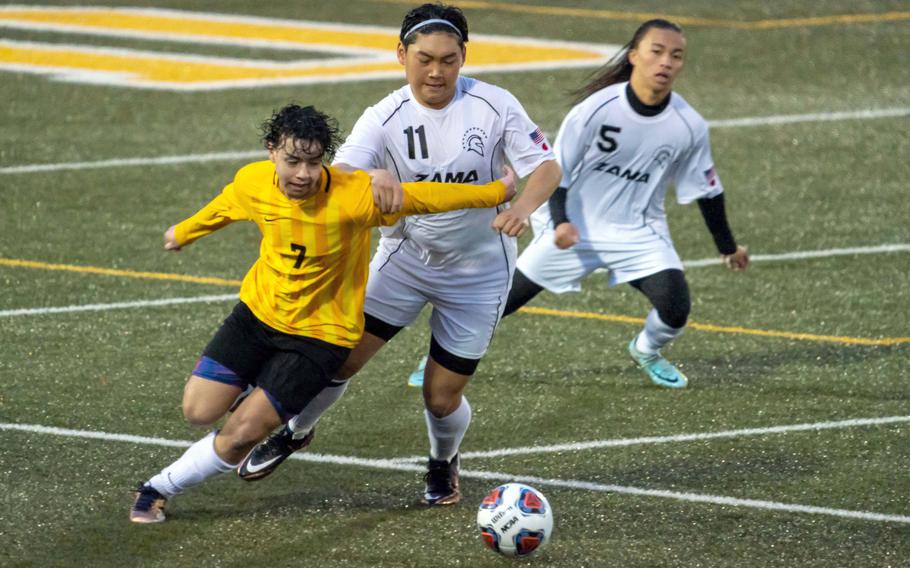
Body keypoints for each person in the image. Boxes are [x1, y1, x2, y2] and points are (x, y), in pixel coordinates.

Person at [236, 3, 561, 506]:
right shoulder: (384, 116)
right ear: (401, 54)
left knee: (440, 394)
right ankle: (297, 430)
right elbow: (335, 177)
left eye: (449, 60)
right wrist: (372, 176)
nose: (436, 71)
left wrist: (521, 207)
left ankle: (441, 461)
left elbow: (545, 167)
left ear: (463, 57)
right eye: (424, 58)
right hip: (405, 260)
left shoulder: (495, 106)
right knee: (339, 358)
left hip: (478, 274)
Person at [129, 103, 516, 523]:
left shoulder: (355, 196)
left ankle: (157, 488)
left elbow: (430, 197)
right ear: (271, 150)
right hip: (256, 317)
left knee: (241, 435)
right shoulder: (253, 181)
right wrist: (184, 232)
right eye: (293, 160)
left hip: (320, 338)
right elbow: (225, 205)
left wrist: (498, 192)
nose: (302, 174)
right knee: (197, 411)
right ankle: (263, 396)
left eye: (314, 163)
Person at [503, 18, 749, 389]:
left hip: (637, 232)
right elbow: (556, 172)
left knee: (675, 308)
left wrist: (727, 248)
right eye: (657, 51)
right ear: (634, 56)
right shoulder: (596, 110)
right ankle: (444, 358)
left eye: (676, 55)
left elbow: (708, 189)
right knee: (496, 305)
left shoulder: (688, 125)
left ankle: (646, 349)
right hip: (573, 227)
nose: (666, 62)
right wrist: (561, 223)